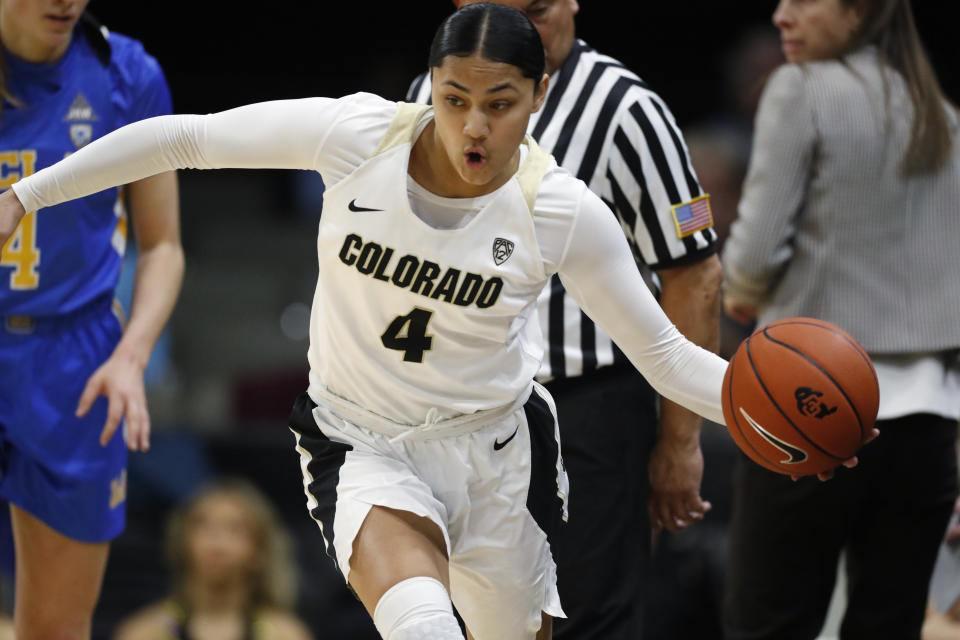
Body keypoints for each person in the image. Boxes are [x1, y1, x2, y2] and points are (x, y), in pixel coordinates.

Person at [0, 5, 739, 638]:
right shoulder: (357, 136)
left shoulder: (561, 210)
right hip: (365, 440)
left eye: (500, 103)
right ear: (430, 88)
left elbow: (667, 357)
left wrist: (830, 411)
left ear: (539, 94)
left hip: (496, 453)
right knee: (420, 624)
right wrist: (27, 195)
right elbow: (184, 138)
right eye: (455, 99)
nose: (473, 126)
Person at [408, 3, 723, 637]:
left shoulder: (628, 111)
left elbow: (695, 270)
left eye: (541, 10)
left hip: (588, 410)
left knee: (590, 618)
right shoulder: (426, 95)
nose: (530, 25)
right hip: (459, 406)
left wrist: (681, 441)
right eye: (507, 10)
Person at [721, 1, 960, 638]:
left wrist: (742, 293)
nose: (780, 15)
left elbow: (754, 249)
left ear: (859, 10)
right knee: (890, 626)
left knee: (769, 625)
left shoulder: (801, 89)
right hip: (931, 421)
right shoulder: (942, 112)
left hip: (807, 406)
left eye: (803, 0)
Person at [0, 1, 183, 638]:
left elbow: (162, 244)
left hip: (75, 360)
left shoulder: (127, 73)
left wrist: (132, 354)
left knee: (54, 629)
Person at [113, 480, 313, 640]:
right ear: (182, 543)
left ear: (260, 552)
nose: (217, 541)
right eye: (203, 526)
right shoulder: (144, 633)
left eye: (235, 529)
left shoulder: (285, 634)